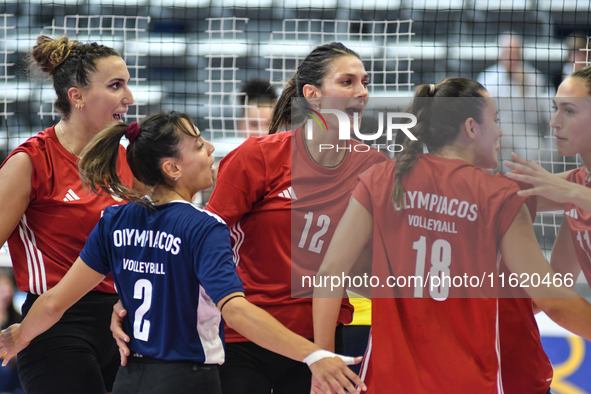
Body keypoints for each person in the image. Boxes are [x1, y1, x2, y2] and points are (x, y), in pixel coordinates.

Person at [0, 112, 365, 394]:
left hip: (130, 380)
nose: (212, 150)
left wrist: (20, 335)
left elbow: (53, 303)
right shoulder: (204, 228)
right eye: (199, 145)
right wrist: (314, 354)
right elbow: (235, 311)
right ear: (172, 168)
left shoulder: (114, 219)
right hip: (188, 380)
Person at [111, 42, 388, 393]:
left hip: (322, 335)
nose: (362, 91)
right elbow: (196, 243)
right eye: (348, 82)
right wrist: (130, 300)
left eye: (365, 82)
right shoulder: (259, 157)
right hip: (244, 337)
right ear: (312, 95)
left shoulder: (375, 168)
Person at [312, 78, 591, 393]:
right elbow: (553, 299)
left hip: (388, 382)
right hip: (469, 382)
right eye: (495, 121)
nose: (500, 132)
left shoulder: (381, 179)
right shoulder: (499, 195)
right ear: (471, 128)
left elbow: (332, 273)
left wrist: (321, 358)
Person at [0, 35, 134, 394]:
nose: (129, 99)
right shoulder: (31, 161)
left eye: (127, 84)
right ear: (77, 96)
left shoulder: (128, 162)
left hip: (126, 319)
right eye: (116, 86)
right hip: (55, 325)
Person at [505, 65, 591, 290]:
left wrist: (572, 192)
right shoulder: (579, 185)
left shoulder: (574, 190)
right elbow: (555, 290)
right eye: (555, 109)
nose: (554, 122)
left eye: (569, 110)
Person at [477, 33, 552, 172]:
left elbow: (534, 117)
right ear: (499, 54)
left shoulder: (534, 78)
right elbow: (483, 114)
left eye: (515, 52)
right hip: (496, 127)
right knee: (490, 150)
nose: (511, 57)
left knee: (536, 149)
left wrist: (522, 88)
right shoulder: (487, 78)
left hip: (522, 128)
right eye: (507, 52)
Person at [0, 268, 22, 394]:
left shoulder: (16, 316)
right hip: (3, 365)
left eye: (9, 290)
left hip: (13, 362)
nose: (7, 294)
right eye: (2, 290)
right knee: (5, 370)